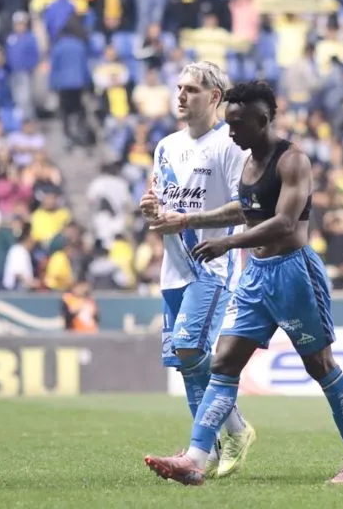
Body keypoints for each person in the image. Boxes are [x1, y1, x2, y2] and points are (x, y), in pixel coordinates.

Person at [144, 81, 343, 485]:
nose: (231, 131)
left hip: (294, 274)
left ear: (263, 119)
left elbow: (284, 223)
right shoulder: (248, 163)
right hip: (256, 276)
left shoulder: (293, 161)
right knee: (224, 362)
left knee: (320, 365)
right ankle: (195, 460)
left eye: (238, 124)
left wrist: (227, 242)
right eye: (229, 122)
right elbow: (245, 209)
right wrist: (190, 220)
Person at [139, 62, 256, 481]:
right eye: (179, 88)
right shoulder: (166, 146)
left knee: (190, 347)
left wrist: (186, 220)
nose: (181, 96)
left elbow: (245, 209)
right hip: (172, 267)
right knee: (185, 360)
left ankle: (205, 449)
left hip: (211, 264)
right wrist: (152, 208)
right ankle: (223, 438)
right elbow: (162, 200)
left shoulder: (230, 145)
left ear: (215, 97)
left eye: (191, 89)